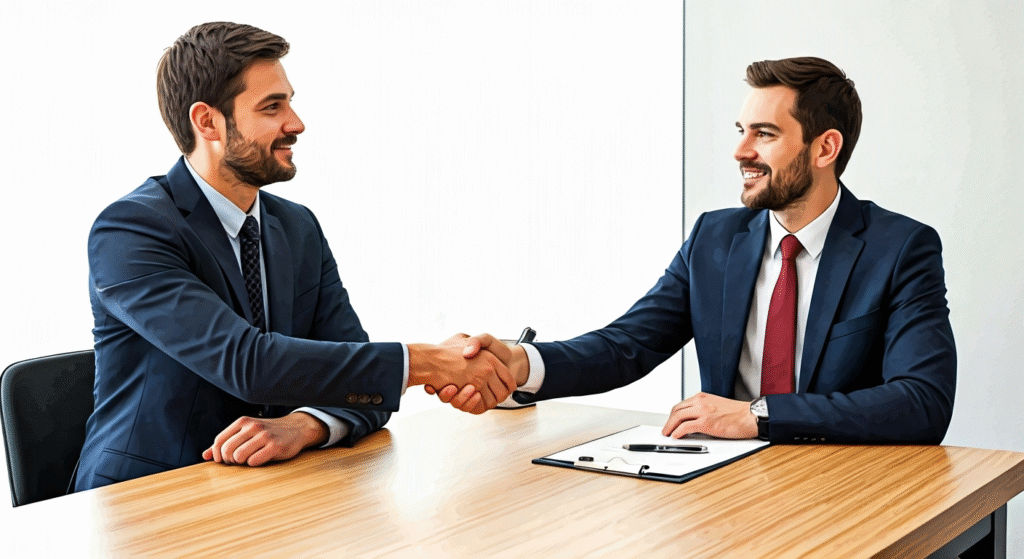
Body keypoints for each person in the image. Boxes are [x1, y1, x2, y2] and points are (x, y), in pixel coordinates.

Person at [77, 21, 515, 491]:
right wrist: (426, 362)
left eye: (289, 101)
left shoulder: (296, 227)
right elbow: (248, 363)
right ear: (207, 122)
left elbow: (358, 377)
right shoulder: (130, 230)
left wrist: (306, 425)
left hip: (269, 491)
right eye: (272, 107)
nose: (296, 123)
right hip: (149, 497)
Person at [436, 57, 956, 444]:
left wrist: (758, 415)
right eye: (740, 131)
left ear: (825, 148)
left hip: (844, 485)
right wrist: (521, 365)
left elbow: (922, 401)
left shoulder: (901, 249)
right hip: (726, 487)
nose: (740, 151)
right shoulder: (715, 239)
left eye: (765, 133)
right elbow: (627, 345)